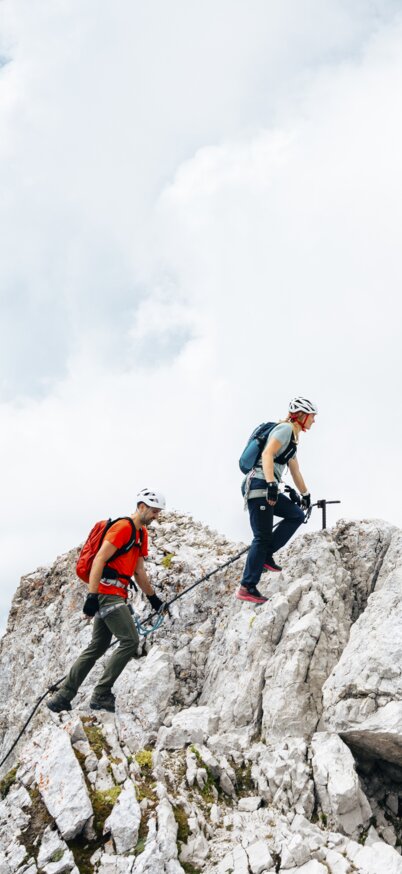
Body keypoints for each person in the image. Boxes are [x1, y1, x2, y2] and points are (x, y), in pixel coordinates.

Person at [47, 488, 166, 713]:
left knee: (97, 646)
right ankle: (101, 693)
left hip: (115, 594)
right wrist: (92, 596)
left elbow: (139, 571)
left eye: (158, 512)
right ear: (141, 507)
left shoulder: (141, 535)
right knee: (130, 641)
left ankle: (63, 696)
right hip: (107, 594)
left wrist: (153, 599)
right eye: (153, 511)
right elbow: (100, 559)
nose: (156, 516)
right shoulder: (123, 528)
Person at [236, 398, 318, 604]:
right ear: (301, 415)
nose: (314, 421)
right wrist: (272, 484)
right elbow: (267, 453)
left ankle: (266, 555)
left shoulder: (293, 439)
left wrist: (305, 495)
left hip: (266, 485)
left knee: (296, 514)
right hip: (260, 485)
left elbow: (295, 470)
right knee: (261, 537)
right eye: (312, 416)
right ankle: (247, 586)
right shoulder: (284, 430)